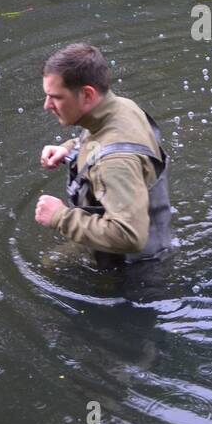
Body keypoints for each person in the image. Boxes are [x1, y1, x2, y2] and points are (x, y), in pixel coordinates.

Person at [35, 43, 173, 269]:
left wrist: (60, 217)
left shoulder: (116, 163)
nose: (46, 105)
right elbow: (103, 137)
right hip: (133, 242)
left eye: (55, 97)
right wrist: (70, 149)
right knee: (50, 265)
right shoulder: (121, 108)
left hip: (136, 273)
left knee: (46, 270)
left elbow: (130, 236)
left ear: (87, 94)